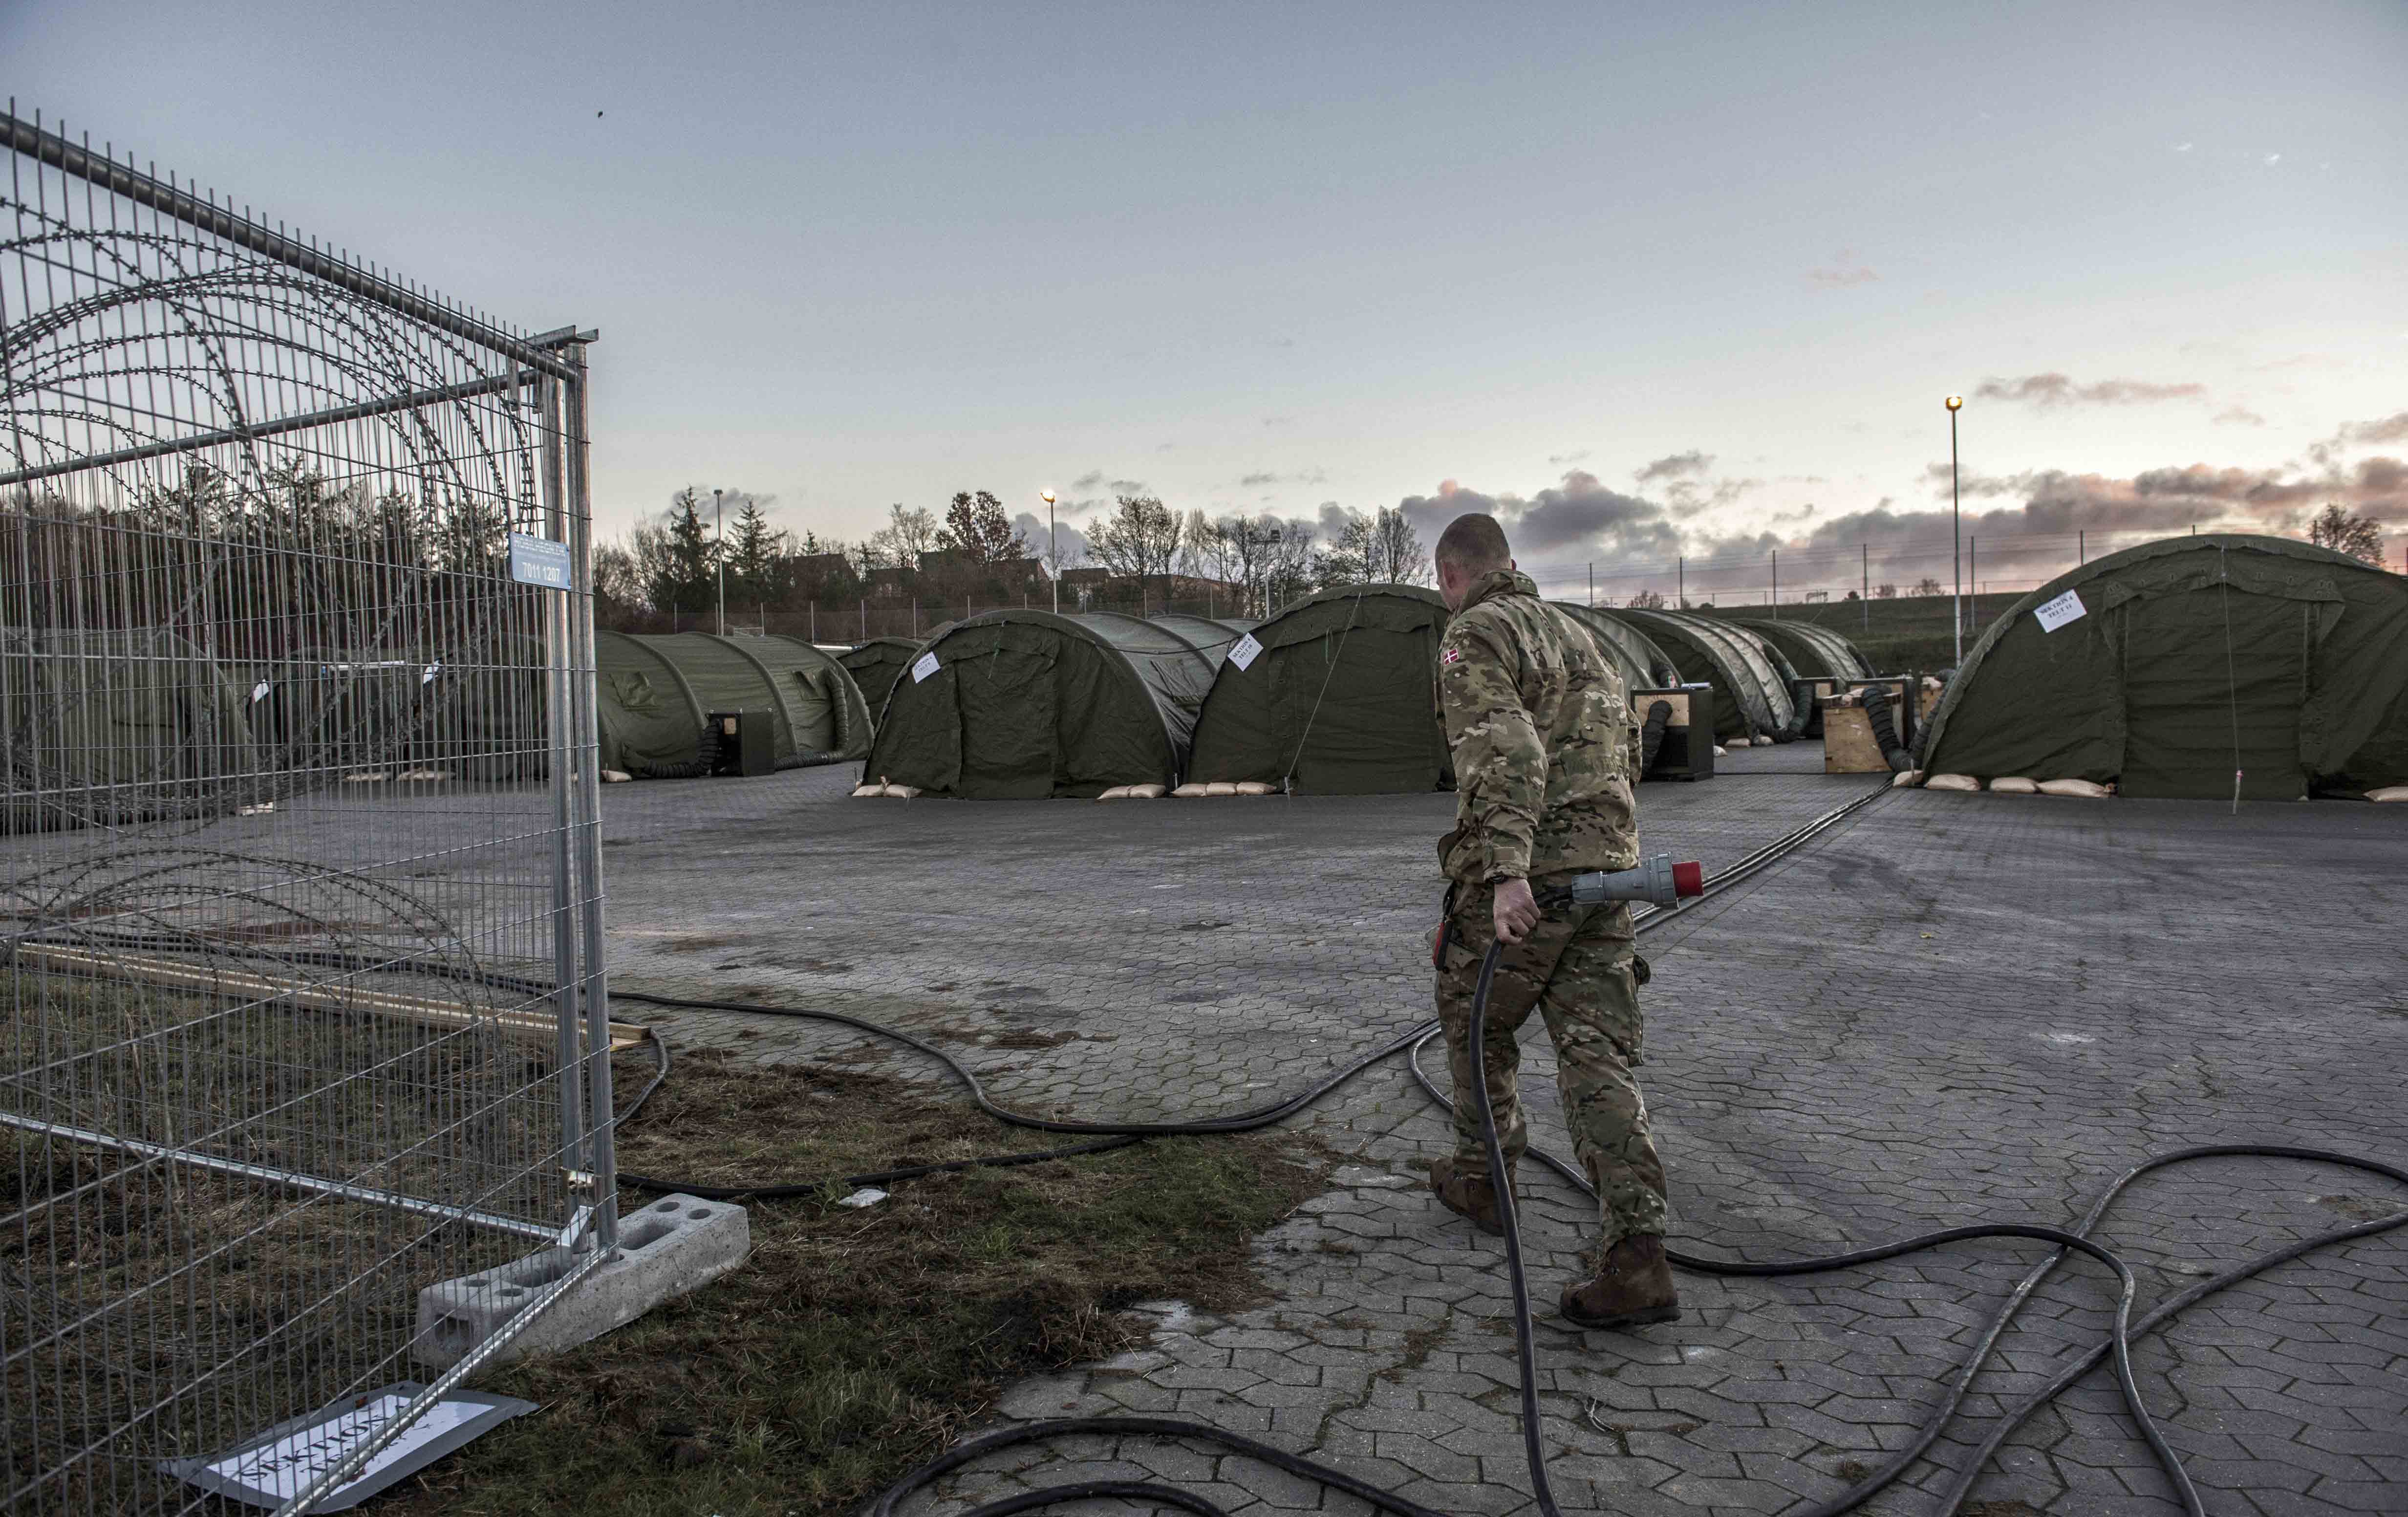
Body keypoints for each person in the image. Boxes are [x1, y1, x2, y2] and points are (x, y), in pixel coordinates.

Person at [1425, 511, 1677, 1330]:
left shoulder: (1474, 636)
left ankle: (1483, 1178)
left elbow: (1507, 752)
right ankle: (1638, 1255)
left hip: (1532, 878)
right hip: (1610, 872)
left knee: (1473, 1018)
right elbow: (1630, 754)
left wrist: (1503, 874)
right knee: (1595, 1055)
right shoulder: (1585, 639)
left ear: (1450, 576)